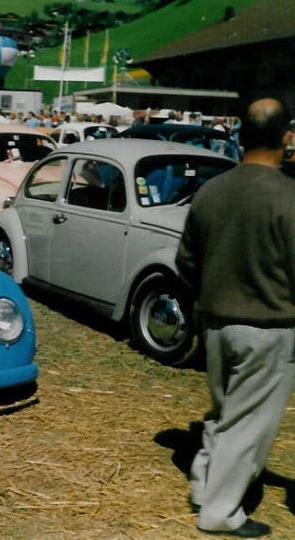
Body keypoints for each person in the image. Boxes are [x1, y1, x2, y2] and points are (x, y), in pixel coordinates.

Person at [175, 98, 295, 538]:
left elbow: (186, 262)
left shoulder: (211, 190)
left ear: (241, 134)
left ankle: (203, 486)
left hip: (214, 323)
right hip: (269, 326)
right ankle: (221, 513)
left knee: (223, 412)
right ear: (287, 137)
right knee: (247, 425)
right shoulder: (288, 196)